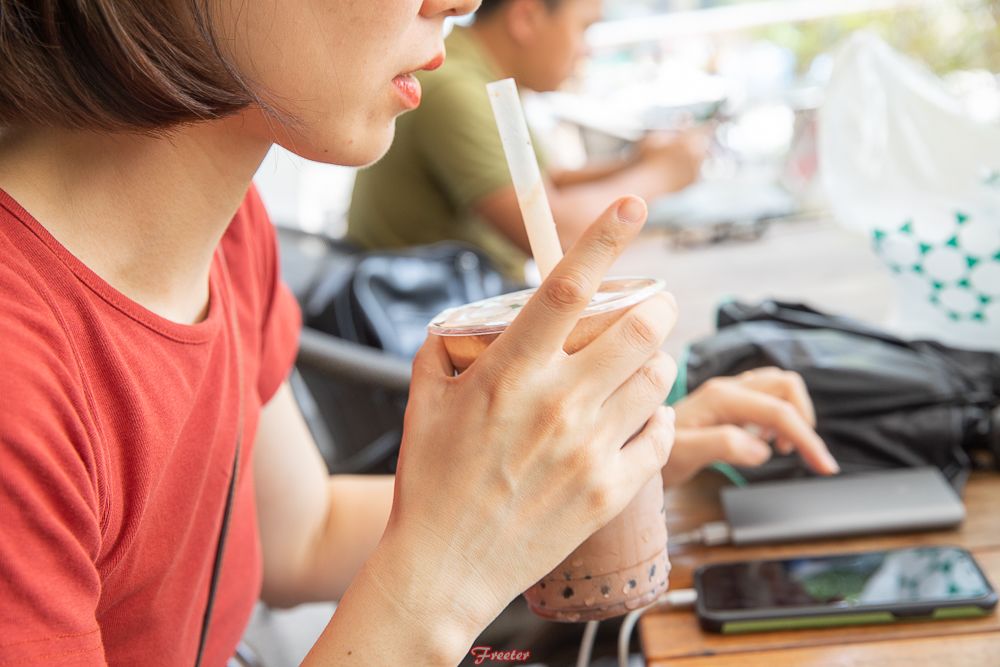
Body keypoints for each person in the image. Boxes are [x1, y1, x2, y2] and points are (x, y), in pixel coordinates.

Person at [0, 2, 835, 666]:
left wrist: (619, 455)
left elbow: (303, 532)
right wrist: (438, 582)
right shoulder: (18, 371)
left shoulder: (226, 234)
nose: (459, 1)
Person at [347, 0, 708, 281]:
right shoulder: (457, 90)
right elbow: (557, 235)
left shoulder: (480, 74)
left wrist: (637, 163)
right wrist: (661, 175)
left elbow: (547, 183)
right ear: (526, 17)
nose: (587, 50)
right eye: (584, 28)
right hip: (423, 329)